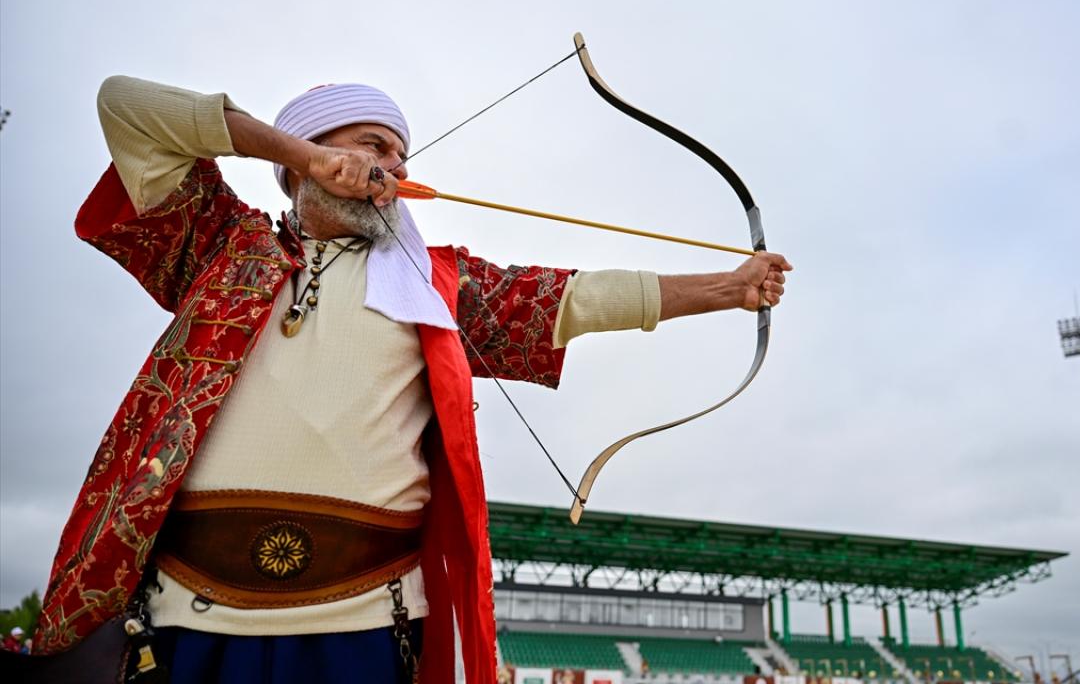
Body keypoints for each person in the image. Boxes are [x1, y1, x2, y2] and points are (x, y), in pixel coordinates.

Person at [32, 76, 791, 684]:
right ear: (304, 149)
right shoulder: (219, 244)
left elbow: (576, 298)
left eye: (401, 158)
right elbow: (125, 106)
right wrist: (300, 155)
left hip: (363, 626)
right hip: (189, 623)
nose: (394, 170)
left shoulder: (434, 284)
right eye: (374, 147)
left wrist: (729, 288)